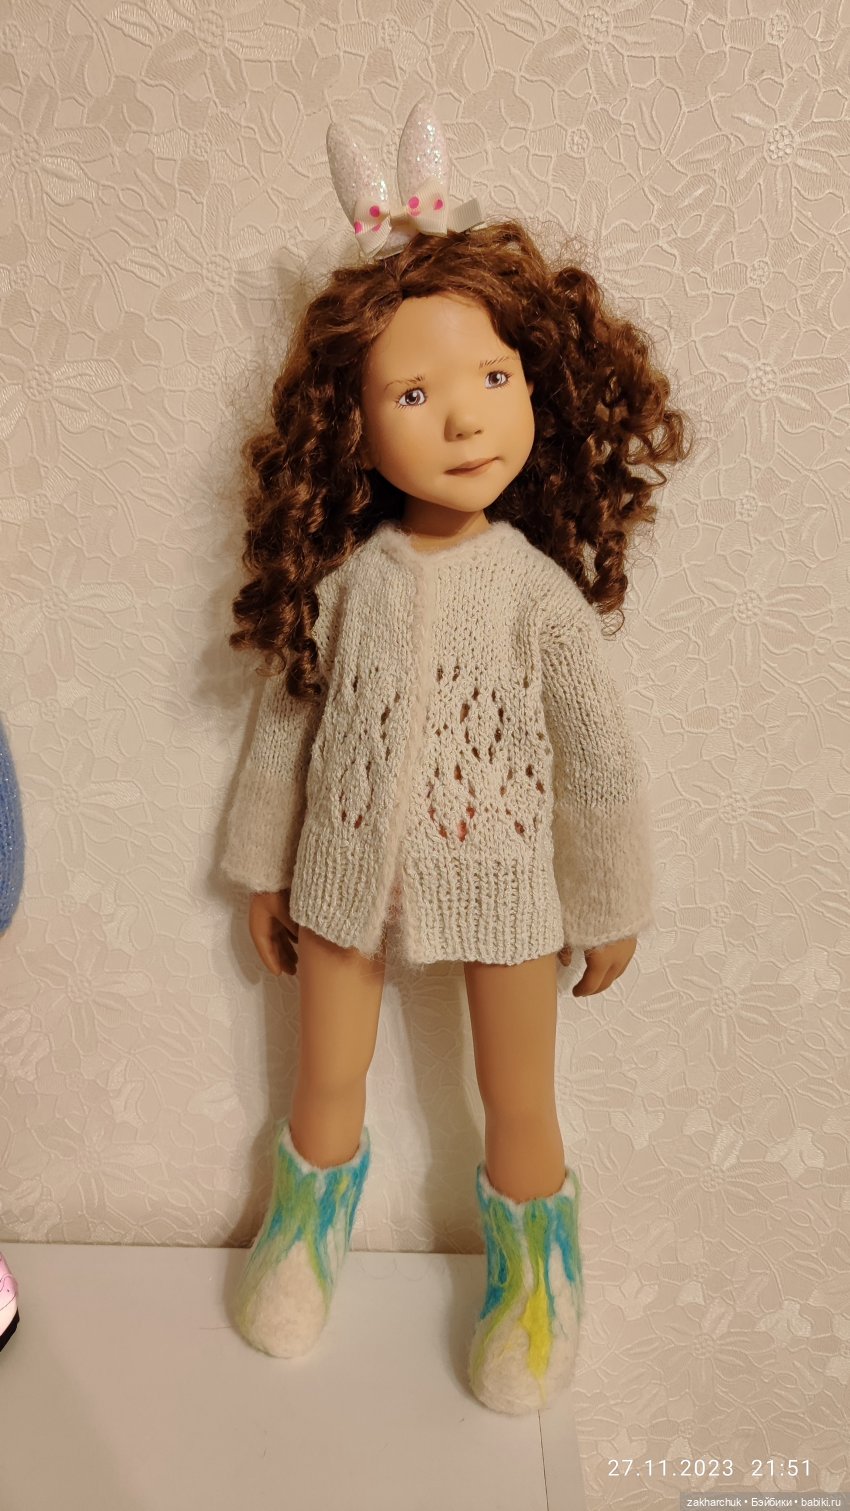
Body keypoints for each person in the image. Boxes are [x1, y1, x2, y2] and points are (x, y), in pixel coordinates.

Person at [219, 97, 693, 1415]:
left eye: (492, 380)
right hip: (343, 872)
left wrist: (607, 901)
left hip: (508, 881)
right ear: (353, 423)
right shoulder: (347, 583)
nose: (463, 421)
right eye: (413, 394)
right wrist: (264, 865)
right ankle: (302, 1233)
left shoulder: (536, 594)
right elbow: (288, 719)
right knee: (323, 1077)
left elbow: (595, 760)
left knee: (517, 1098)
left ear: (536, 384)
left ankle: (537, 1277)